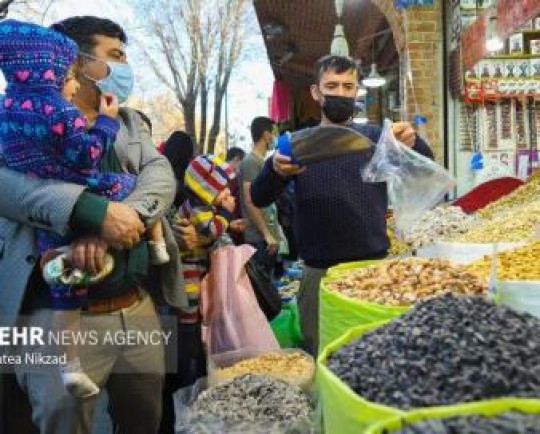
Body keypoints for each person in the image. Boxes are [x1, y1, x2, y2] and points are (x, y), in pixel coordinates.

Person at [0, 16, 186, 434]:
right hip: (50, 319)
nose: (123, 69)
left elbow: (159, 177)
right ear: (75, 62)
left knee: (147, 417)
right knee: (60, 421)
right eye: (114, 57)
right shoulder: (16, 116)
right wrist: (91, 213)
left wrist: (128, 217)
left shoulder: (131, 122)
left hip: (136, 307)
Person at [250, 55, 434, 356]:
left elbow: (425, 170)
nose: (340, 92)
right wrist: (275, 170)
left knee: (377, 356)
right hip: (318, 273)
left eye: (348, 86)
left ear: (357, 91)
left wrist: (415, 144)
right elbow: (259, 196)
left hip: (373, 270)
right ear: (316, 92)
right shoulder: (296, 144)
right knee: (320, 354)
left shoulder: (378, 139)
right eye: (331, 85)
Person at [176, 154, 243, 324]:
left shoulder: (202, 205)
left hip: (197, 260)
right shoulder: (198, 209)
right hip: (188, 264)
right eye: (222, 188)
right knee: (190, 301)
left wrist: (228, 223)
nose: (228, 192)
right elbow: (211, 230)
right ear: (205, 189)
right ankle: (188, 334)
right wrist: (227, 214)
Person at [239, 117, 285, 277]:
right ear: (266, 135)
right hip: (259, 238)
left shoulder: (261, 161)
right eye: (275, 133)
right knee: (263, 291)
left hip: (267, 238)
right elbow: (249, 200)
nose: (276, 137)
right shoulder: (250, 162)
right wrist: (266, 234)